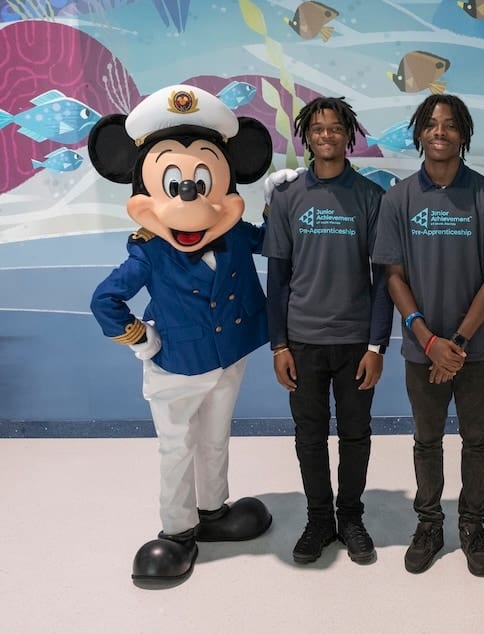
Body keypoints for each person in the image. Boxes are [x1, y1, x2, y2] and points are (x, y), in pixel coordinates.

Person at [88, 84, 274, 586]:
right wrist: (140, 339)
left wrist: (280, 202)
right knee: (176, 448)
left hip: (229, 355)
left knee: (215, 438)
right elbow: (105, 301)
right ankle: (177, 529)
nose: (189, 193)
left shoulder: (233, 231)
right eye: (174, 181)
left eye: (201, 179)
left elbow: (272, 242)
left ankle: (212, 511)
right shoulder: (150, 248)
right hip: (176, 364)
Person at [372, 94, 484, 577]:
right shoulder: (397, 199)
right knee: (427, 440)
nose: (440, 131)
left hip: (478, 350)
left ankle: (472, 526)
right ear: (419, 133)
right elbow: (394, 276)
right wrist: (428, 339)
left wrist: (456, 342)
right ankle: (429, 525)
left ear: (464, 135)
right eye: (432, 124)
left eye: (451, 124)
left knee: (476, 441)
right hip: (423, 349)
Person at [263, 96, 392, 566]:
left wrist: (377, 345)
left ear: (348, 135)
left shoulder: (371, 197)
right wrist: (278, 344)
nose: (326, 135)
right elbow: (277, 278)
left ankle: (351, 518)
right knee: (309, 436)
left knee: (356, 434)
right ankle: (319, 519)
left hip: (355, 341)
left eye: (335, 128)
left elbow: (383, 280)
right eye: (317, 128)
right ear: (307, 136)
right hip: (302, 341)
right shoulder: (287, 197)